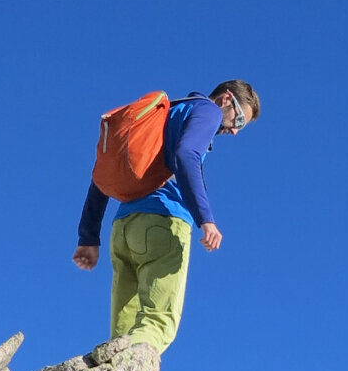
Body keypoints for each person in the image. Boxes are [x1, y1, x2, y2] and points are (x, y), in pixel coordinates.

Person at [74, 80, 260, 352]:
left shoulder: (161, 116)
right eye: (239, 120)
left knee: (121, 334)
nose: (233, 131)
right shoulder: (208, 111)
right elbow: (187, 154)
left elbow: (103, 175)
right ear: (226, 99)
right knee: (158, 322)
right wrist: (205, 219)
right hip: (163, 224)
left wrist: (88, 236)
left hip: (123, 230)